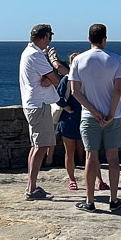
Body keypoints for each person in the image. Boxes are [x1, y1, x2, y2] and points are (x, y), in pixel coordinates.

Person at [70, 23, 121, 212]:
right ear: (105, 39)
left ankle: (90, 201)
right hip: (114, 116)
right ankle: (114, 200)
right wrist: (110, 113)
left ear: (89, 39)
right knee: (113, 158)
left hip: (89, 117)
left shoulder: (78, 60)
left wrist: (94, 111)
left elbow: (75, 91)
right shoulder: (116, 60)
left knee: (91, 157)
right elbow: (117, 90)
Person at [18, 25, 68, 200]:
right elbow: (56, 79)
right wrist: (51, 75)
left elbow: (49, 78)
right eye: (49, 37)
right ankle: (31, 189)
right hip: (39, 105)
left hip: (33, 103)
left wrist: (48, 78)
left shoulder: (28, 52)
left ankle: (31, 186)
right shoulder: (36, 55)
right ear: (45, 37)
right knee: (41, 146)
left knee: (36, 146)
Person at [54, 59, 85, 191]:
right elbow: (58, 97)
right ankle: (72, 179)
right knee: (70, 150)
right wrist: (67, 108)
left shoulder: (86, 79)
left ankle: (96, 178)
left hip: (84, 118)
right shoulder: (66, 80)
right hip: (68, 120)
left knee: (89, 151)